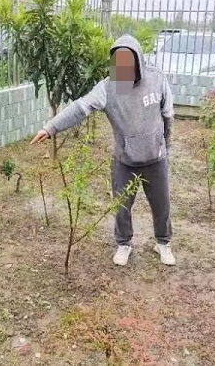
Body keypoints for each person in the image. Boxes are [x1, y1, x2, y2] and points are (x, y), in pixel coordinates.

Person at [30, 34, 175, 267]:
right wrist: (51, 128)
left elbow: (168, 114)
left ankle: (163, 243)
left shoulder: (156, 79)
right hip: (124, 160)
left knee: (161, 205)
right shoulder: (108, 88)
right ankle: (124, 244)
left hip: (155, 158)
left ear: (138, 61)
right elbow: (81, 107)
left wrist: (165, 145)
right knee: (121, 206)